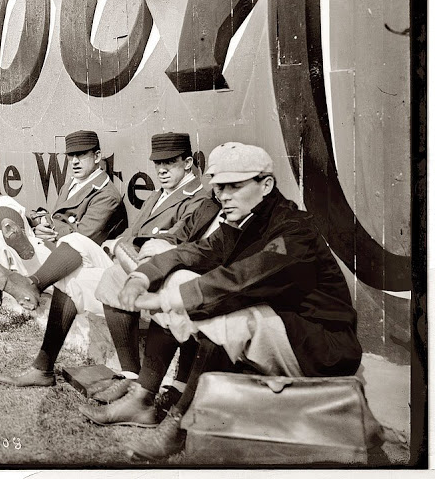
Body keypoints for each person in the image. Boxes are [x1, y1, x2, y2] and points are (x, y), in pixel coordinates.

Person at [78, 142, 363, 461]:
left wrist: (165, 299)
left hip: (321, 347)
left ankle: (179, 426)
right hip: (284, 333)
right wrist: (146, 275)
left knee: (222, 311)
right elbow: (195, 252)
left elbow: (241, 279)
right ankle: (146, 396)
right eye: (220, 187)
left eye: (235, 186)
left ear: (265, 185)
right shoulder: (244, 220)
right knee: (180, 278)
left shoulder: (294, 230)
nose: (224, 195)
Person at [0, 130, 127, 343]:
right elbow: (58, 220)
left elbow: (83, 238)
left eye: (82, 155)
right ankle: (14, 232)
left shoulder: (106, 194)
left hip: (72, 262)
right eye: (70, 156)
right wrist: (40, 222)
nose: (75, 161)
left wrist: (50, 229)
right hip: (52, 246)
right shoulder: (72, 184)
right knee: (1, 211)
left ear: (97, 157)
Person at [87, 132, 220, 404]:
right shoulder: (158, 195)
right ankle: (131, 376)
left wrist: (137, 248)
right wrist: (120, 245)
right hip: (154, 263)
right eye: (157, 163)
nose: (161, 169)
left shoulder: (199, 196)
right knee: (113, 277)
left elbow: (179, 239)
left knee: (124, 278)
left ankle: (161, 385)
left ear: (187, 163)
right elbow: (138, 232)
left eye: (169, 163)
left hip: (181, 272)